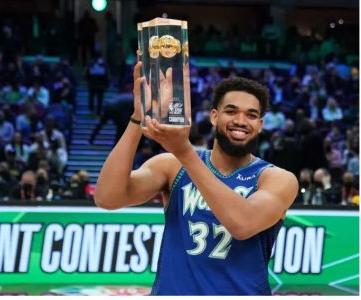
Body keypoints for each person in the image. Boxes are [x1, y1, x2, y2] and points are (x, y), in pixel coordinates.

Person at [94, 56, 298, 295]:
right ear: (214, 116)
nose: (241, 121)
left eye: (251, 115)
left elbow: (242, 224)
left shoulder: (276, 178)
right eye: (231, 111)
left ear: (260, 124)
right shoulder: (172, 166)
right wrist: (138, 117)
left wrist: (184, 151)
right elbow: (107, 197)